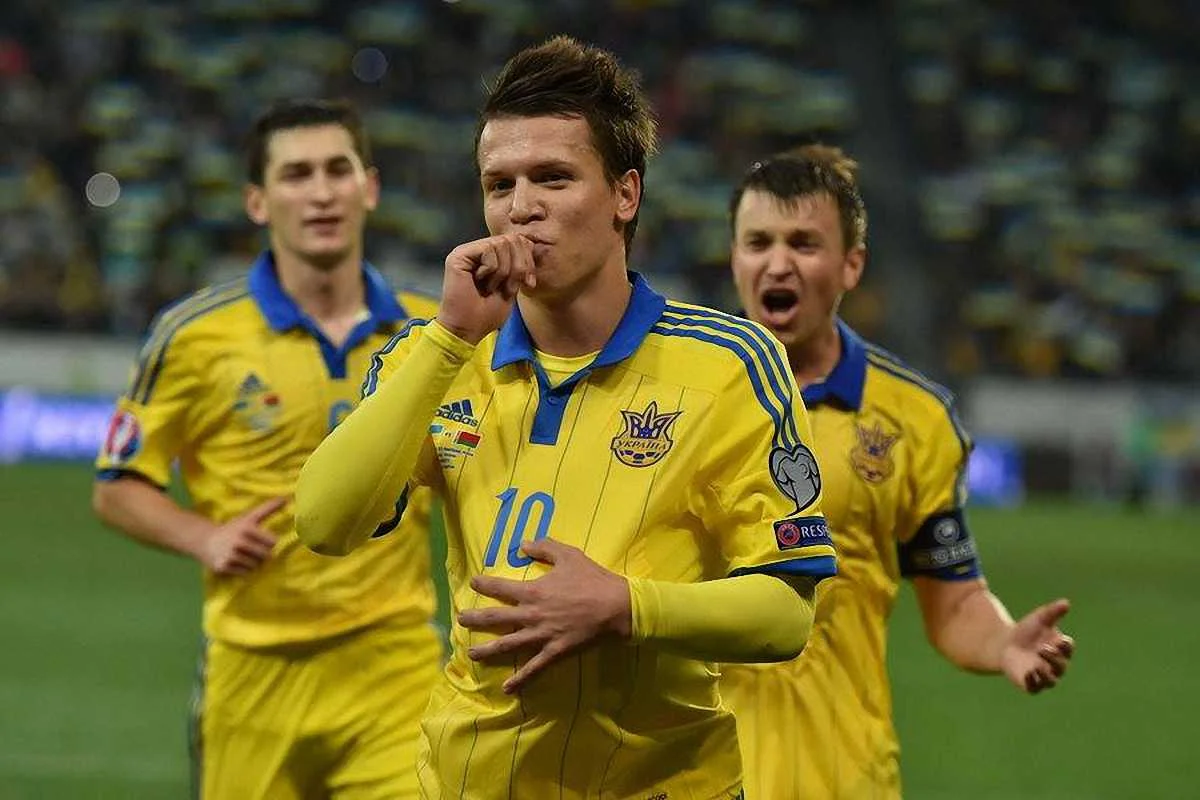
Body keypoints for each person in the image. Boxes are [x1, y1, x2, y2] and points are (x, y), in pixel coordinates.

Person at [295, 37, 837, 800]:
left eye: (553, 177)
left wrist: (626, 606)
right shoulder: (437, 355)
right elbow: (324, 522)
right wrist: (450, 339)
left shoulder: (730, 364)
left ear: (625, 195)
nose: (521, 207)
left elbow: (785, 613)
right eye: (500, 184)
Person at [92, 99, 443, 800]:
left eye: (338, 170)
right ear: (257, 201)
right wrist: (204, 538)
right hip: (252, 670)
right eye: (296, 174)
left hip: (395, 665)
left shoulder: (436, 332)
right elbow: (116, 486)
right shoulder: (193, 336)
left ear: (370, 188)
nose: (321, 193)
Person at [719, 144, 1077, 799]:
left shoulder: (915, 417)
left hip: (843, 775)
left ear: (851, 265)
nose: (778, 262)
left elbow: (955, 599)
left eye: (804, 243)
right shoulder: (677, 394)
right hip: (693, 771)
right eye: (758, 242)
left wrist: (1003, 643)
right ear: (734, 257)